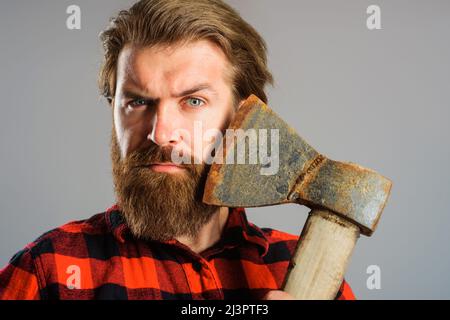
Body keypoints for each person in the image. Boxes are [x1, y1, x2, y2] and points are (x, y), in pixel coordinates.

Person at [0, 0, 354, 300]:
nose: (161, 133)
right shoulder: (48, 272)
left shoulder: (300, 271)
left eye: (194, 100)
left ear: (247, 118)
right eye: (138, 101)